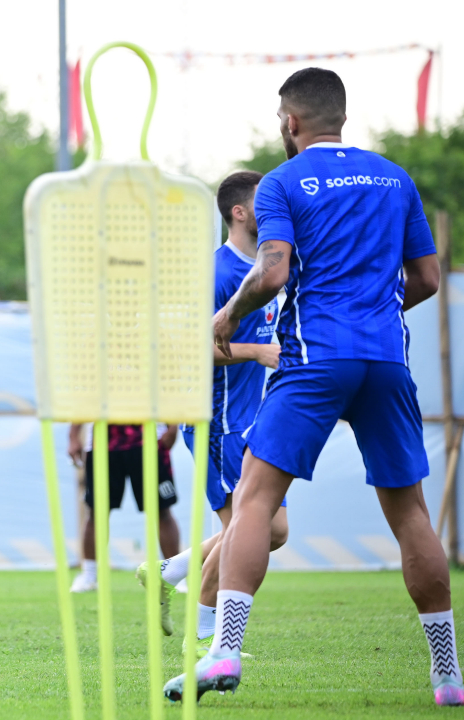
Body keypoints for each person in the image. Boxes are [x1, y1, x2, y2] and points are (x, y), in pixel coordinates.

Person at [165, 68, 460, 706]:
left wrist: (228, 316)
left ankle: (225, 651)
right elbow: (428, 279)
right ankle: (448, 676)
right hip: (386, 362)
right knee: (410, 513)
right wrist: (374, 313)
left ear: (291, 122)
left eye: (281, 119)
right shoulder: (396, 178)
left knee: (254, 501)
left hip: (313, 359)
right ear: (342, 117)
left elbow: (272, 274)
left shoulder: (282, 182)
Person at [137, 171, 288, 649]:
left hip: (250, 418)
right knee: (246, 531)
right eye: (264, 202)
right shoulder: (215, 272)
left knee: (273, 531)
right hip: (216, 420)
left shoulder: (270, 267)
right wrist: (256, 352)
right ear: (239, 213)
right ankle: (203, 638)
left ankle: (169, 571)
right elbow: (188, 349)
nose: (275, 208)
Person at [66, 423, 181, 593]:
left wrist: (173, 428)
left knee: (162, 510)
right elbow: (84, 405)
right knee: (96, 512)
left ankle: (174, 575)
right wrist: (73, 436)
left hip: (149, 441)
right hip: (102, 444)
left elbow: (169, 403)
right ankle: (89, 576)